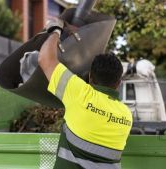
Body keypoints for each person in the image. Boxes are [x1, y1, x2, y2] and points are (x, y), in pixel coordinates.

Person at [38, 18, 133, 169]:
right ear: (119, 83)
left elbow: (45, 58)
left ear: (89, 77)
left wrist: (55, 29)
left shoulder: (79, 94)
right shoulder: (126, 115)